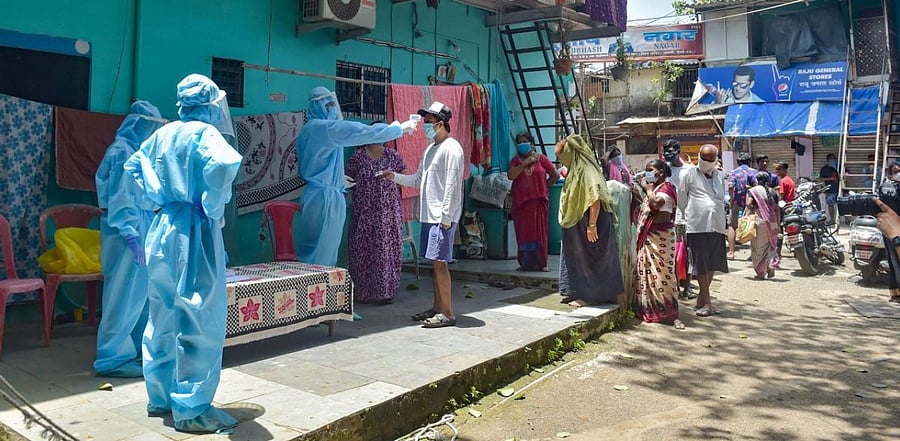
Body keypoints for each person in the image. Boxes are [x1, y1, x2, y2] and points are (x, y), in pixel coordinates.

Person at [124, 74, 243, 434]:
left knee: (161, 314)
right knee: (198, 317)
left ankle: (159, 396)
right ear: (210, 104)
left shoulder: (161, 133)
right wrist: (212, 203)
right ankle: (191, 405)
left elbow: (135, 167)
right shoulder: (205, 134)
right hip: (194, 229)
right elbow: (223, 165)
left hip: (161, 228)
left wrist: (156, 198)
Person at [295, 87, 417, 266]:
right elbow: (358, 132)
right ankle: (317, 291)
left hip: (314, 194)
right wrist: (397, 129)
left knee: (309, 249)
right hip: (326, 199)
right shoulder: (324, 128)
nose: (333, 109)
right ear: (317, 106)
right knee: (323, 255)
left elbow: (317, 161)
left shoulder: (307, 130)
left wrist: (335, 177)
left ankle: (304, 289)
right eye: (328, 105)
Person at [93, 101, 165, 378]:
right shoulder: (122, 152)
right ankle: (111, 357)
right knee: (122, 296)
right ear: (140, 124)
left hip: (138, 227)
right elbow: (122, 199)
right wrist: (131, 235)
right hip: (125, 233)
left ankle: (132, 349)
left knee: (139, 295)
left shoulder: (134, 153)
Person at [382, 102, 464, 328]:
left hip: (441, 218)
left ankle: (448, 313)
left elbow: (453, 186)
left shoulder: (452, 148)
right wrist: (394, 177)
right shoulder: (430, 150)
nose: (425, 125)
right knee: (434, 264)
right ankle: (437, 307)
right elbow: (417, 180)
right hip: (429, 216)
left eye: (428, 121)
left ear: (441, 123)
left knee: (440, 264)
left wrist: (446, 217)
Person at [556, 135, 624, 308]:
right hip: (577, 221)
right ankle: (575, 291)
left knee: (590, 258)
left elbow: (594, 198)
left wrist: (592, 225)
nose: (561, 161)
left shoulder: (586, 170)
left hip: (590, 221)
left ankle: (590, 296)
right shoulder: (575, 169)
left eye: (562, 156)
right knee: (575, 257)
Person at [345, 123, 408, 305]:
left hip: (388, 215)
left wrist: (395, 175)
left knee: (386, 251)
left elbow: (404, 175)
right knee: (362, 250)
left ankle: (386, 292)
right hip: (364, 214)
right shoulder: (358, 157)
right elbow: (348, 179)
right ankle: (363, 293)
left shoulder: (393, 156)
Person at [678, 144, 729, 317]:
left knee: (713, 263)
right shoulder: (689, 174)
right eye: (704, 158)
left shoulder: (719, 175)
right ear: (699, 156)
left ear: (716, 159)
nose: (706, 162)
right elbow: (682, 199)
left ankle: (702, 299)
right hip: (697, 226)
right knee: (701, 265)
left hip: (717, 224)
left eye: (710, 159)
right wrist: (690, 215)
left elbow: (721, 198)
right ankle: (707, 303)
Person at [634, 159, 684, 329]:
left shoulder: (666, 189)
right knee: (647, 270)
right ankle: (648, 309)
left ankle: (669, 313)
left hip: (660, 238)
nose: (647, 173)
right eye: (646, 170)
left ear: (660, 173)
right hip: (649, 236)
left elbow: (655, 204)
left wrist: (647, 190)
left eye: (650, 170)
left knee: (664, 275)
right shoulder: (656, 188)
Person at [508, 131, 559, 272]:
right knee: (524, 234)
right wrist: (524, 164)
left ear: (532, 144)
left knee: (540, 233)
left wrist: (543, 186)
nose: (522, 144)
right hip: (522, 204)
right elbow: (511, 176)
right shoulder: (516, 161)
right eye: (520, 142)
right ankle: (526, 263)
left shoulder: (541, 159)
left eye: (525, 141)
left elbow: (555, 175)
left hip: (539, 203)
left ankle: (541, 263)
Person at [664, 139, 696, 299]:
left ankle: (688, 285)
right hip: (670, 219)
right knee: (672, 253)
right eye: (665, 150)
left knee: (689, 253)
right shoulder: (663, 170)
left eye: (671, 150)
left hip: (687, 219)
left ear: (678, 151)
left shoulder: (690, 170)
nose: (668, 154)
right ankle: (674, 284)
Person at [746, 172, 780, 279]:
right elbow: (777, 209)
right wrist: (778, 224)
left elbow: (748, 204)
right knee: (770, 245)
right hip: (772, 221)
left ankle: (761, 272)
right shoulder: (773, 192)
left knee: (758, 247)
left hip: (759, 220)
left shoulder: (753, 191)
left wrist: (753, 210)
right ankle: (770, 265)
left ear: (756, 180)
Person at [875, 161, 900, 303]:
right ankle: (895, 292)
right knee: (893, 259)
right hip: (891, 229)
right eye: (895, 171)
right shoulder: (886, 188)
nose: (898, 174)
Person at [727, 153, 757, 259]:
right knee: (753, 226)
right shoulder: (754, 172)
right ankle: (753, 253)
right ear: (749, 162)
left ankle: (731, 252)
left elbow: (731, 187)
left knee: (732, 225)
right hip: (752, 202)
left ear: (738, 162)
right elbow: (757, 187)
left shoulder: (733, 173)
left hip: (737, 201)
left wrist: (731, 200)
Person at [774, 161, 796, 266]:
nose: (777, 172)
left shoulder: (783, 181)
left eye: (779, 169)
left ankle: (778, 251)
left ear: (783, 169)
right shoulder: (790, 180)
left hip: (785, 206)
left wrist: (778, 208)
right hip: (791, 205)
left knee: (780, 229)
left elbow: (781, 197)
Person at [819, 153, 840, 222]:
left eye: (834, 159)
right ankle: (832, 219)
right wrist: (830, 179)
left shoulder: (838, 167)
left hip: (839, 189)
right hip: (830, 190)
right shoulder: (825, 169)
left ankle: (841, 219)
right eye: (831, 159)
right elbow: (821, 179)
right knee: (831, 205)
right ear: (827, 160)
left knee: (841, 204)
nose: (833, 161)